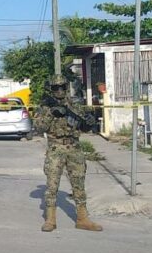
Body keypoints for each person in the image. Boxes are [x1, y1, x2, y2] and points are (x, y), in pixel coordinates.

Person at [33, 75, 102, 232]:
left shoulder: (74, 104)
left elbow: (82, 126)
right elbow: (38, 128)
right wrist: (51, 113)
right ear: (51, 89)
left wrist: (89, 122)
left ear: (66, 87)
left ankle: (83, 219)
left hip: (74, 147)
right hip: (56, 148)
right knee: (52, 186)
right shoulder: (45, 106)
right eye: (55, 88)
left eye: (62, 87)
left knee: (79, 184)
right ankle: (50, 219)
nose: (59, 90)